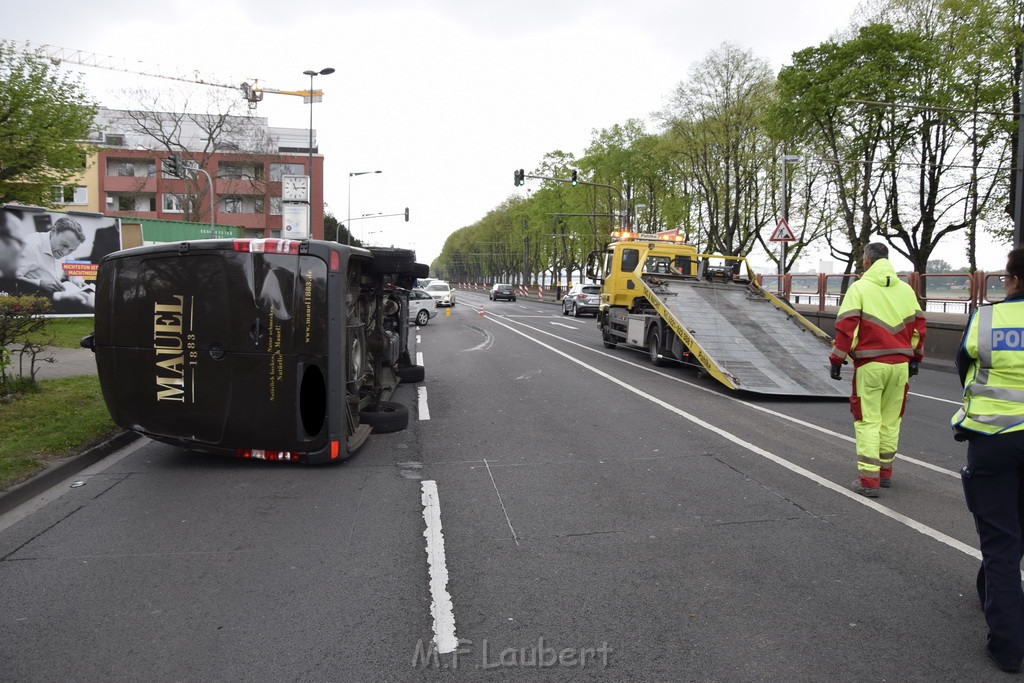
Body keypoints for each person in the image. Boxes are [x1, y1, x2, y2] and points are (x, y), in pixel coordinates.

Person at [952, 247, 1024, 673]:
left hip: (995, 439)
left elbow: (966, 369)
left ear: (1012, 280)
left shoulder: (988, 318)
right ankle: (992, 596)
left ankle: (1009, 648)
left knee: (1000, 541)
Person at [829, 242, 926, 497]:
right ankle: (885, 474)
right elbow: (918, 330)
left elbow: (846, 328)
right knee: (891, 420)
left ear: (866, 261)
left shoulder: (859, 288)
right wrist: (915, 359)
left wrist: (837, 360)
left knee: (868, 420)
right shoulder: (906, 290)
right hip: (901, 367)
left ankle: (868, 481)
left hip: (871, 366)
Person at [15, 216, 91, 306]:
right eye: (64, 245)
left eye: (71, 250)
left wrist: (78, 280)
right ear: (54, 232)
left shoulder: (66, 247)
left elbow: (72, 266)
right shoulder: (30, 246)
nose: (65, 252)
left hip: (53, 300)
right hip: (28, 305)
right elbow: (10, 279)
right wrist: (40, 283)